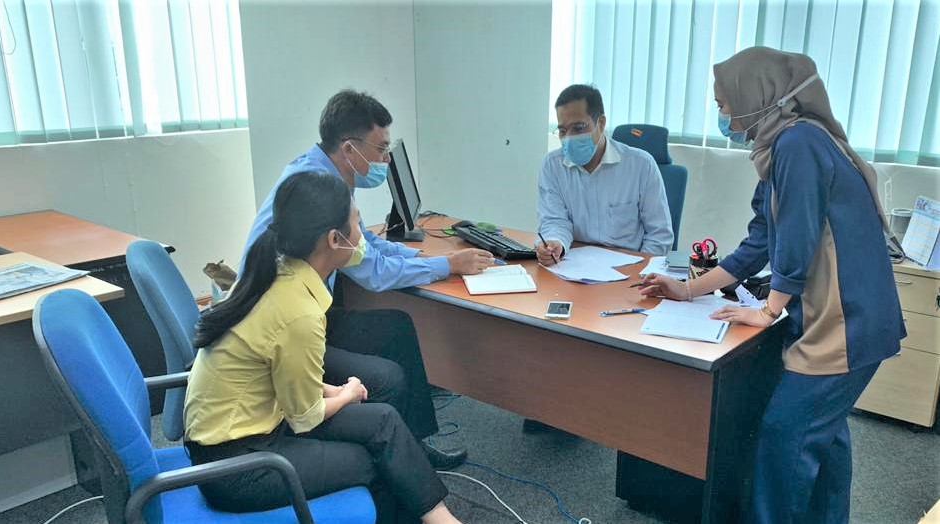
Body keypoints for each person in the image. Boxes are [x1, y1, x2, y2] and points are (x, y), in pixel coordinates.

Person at [640, 47, 905, 524]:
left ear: (756, 96)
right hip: (847, 318)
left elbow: (798, 236)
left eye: (723, 103)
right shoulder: (780, 146)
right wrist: (688, 290)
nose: (722, 114)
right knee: (823, 438)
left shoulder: (797, 142)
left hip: (846, 323)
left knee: (785, 436)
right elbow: (760, 241)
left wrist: (768, 310)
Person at [186, 171, 463, 524]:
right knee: (377, 461)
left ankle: (439, 517)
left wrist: (334, 390)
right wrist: (346, 394)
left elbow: (274, 373)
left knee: (383, 420)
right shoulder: (298, 312)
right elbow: (305, 418)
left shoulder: (277, 273)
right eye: (357, 223)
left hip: (257, 426)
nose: (361, 234)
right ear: (334, 239)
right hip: (236, 467)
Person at [241, 90, 489, 468]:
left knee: (396, 326)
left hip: (299, 313)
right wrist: (447, 266)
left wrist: (425, 258)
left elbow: (365, 242)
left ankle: (414, 446)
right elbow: (373, 271)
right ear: (349, 148)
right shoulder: (317, 187)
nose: (386, 160)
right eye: (381, 149)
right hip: (284, 332)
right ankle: (398, 454)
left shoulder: (326, 172)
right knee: (389, 361)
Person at [536, 84, 674, 264]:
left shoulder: (641, 165)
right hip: (572, 266)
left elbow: (659, 236)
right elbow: (554, 221)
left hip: (629, 268)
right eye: (563, 131)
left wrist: (638, 270)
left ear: (600, 123)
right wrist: (556, 244)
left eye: (578, 127)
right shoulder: (552, 165)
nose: (569, 137)